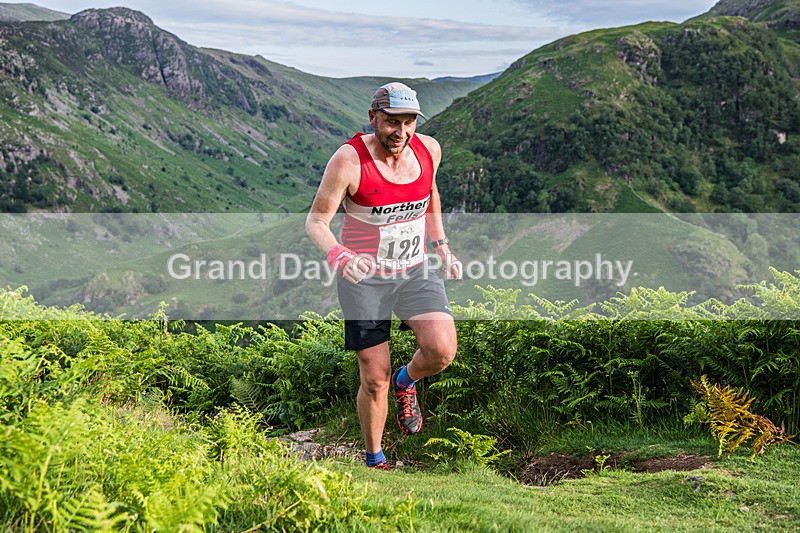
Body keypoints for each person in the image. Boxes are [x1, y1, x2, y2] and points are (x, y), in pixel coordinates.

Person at [306, 82, 462, 470]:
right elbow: (316, 221)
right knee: (373, 376)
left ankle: (406, 382)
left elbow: (430, 195)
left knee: (442, 350)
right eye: (392, 122)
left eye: (409, 122)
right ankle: (375, 460)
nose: (401, 132)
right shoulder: (349, 160)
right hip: (364, 279)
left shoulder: (430, 150)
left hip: (414, 269)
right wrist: (339, 254)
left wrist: (441, 245)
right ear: (373, 117)